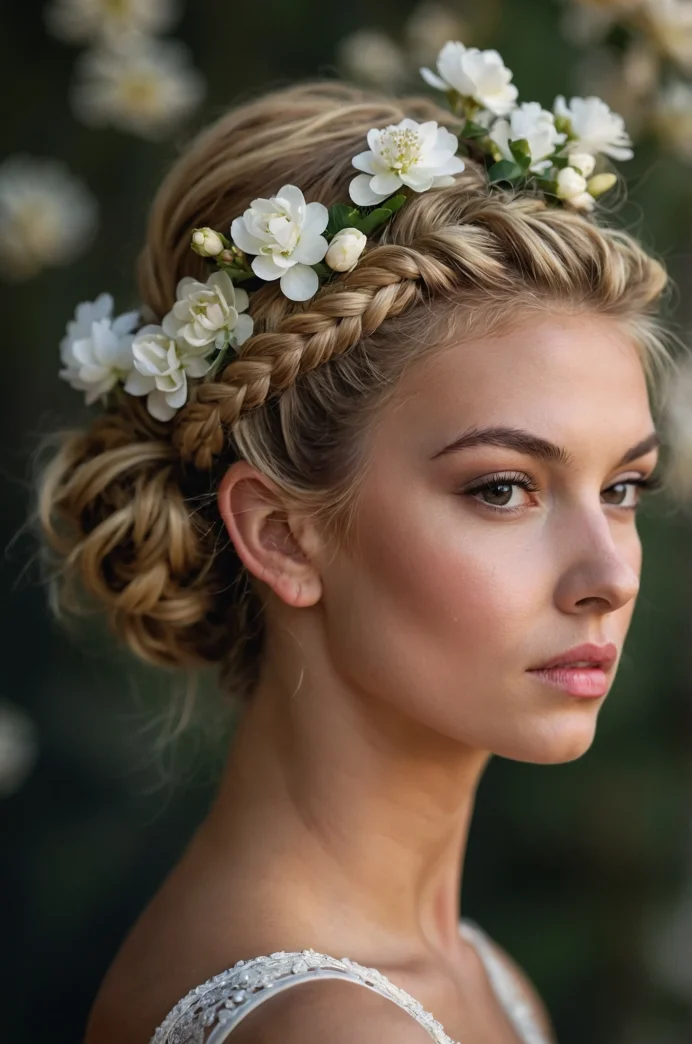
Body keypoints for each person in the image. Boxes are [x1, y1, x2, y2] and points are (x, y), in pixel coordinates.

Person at [37, 44, 675, 1044]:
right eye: (502, 489)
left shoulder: (471, 975)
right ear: (283, 536)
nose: (605, 577)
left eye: (622, 487)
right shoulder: (328, 1025)